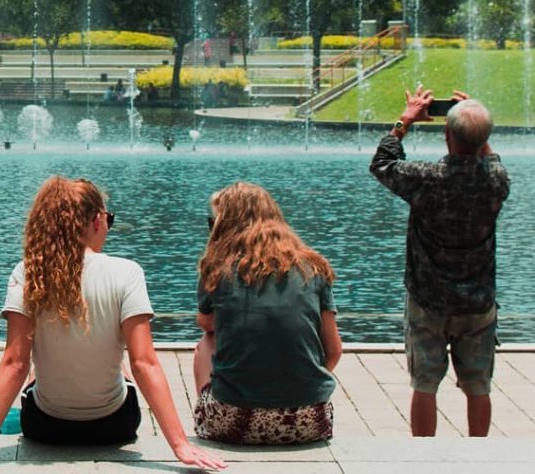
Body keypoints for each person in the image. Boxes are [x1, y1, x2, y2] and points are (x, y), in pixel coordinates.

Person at [0, 176, 226, 472]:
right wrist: (180, 446)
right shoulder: (127, 272)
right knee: (121, 362)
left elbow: (13, 363)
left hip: (45, 426)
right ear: (97, 221)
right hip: (115, 426)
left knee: (36, 364)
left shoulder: (28, 272)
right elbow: (144, 362)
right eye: (108, 218)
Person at [370, 86, 509, 438]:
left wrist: (405, 120)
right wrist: (475, 125)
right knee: (479, 384)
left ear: (446, 136)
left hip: (427, 298)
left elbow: (382, 163)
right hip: (477, 301)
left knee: (424, 384)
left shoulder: (427, 179)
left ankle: (425, 458)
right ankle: (479, 453)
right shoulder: (496, 180)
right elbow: (489, 157)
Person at [193, 182, 342, 446]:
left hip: (235, 422)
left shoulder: (217, 268)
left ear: (224, 227)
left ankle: (208, 416)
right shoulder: (314, 267)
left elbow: (207, 323)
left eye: (213, 223)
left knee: (206, 343)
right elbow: (334, 351)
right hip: (310, 421)